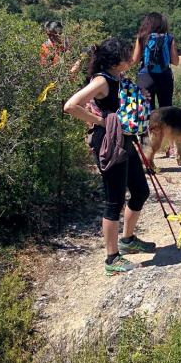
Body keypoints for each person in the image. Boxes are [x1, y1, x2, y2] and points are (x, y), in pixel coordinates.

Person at [64, 37, 155, 275]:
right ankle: (112, 259)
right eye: (126, 55)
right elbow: (71, 105)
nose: (130, 59)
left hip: (124, 140)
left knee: (140, 191)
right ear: (116, 61)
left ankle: (127, 240)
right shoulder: (102, 80)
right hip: (109, 142)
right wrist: (102, 121)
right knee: (114, 201)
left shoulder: (117, 77)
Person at [132, 12, 179, 111]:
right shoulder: (169, 38)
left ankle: (149, 127)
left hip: (145, 77)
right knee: (166, 111)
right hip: (165, 77)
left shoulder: (142, 37)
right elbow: (175, 61)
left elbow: (135, 60)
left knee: (146, 112)